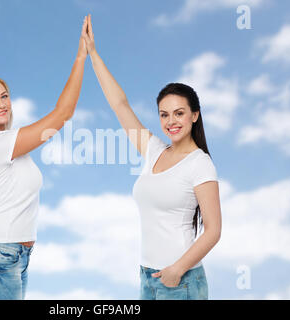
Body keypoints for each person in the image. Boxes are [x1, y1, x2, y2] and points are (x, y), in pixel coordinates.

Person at [81, 14, 222, 300]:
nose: (171, 121)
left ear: (194, 116)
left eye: (179, 113)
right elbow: (120, 105)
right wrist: (93, 54)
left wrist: (177, 269)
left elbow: (214, 230)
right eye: (164, 114)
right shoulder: (154, 150)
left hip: (180, 280)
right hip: (148, 276)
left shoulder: (200, 164)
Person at [0, 16, 89, 300]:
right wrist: (81, 57)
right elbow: (62, 114)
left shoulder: (7, 145)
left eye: (4, 96)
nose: (1, 104)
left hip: (14, 254)